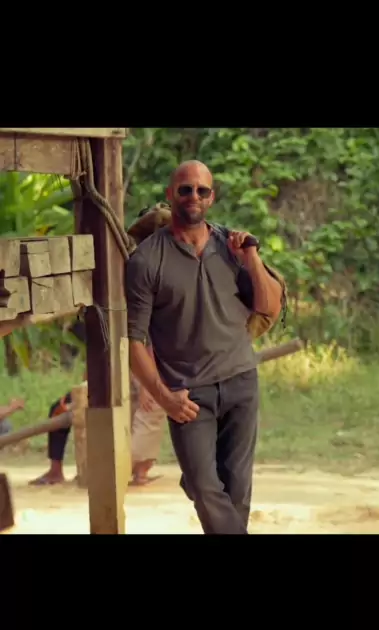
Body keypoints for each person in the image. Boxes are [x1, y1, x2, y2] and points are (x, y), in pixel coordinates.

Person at [125, 159, 283, 534]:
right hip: (189, 394)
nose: (193, 196)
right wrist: (164, 397)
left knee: (236, 490)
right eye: (185, 189)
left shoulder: (232, 247)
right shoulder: (146, 260)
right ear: (170, 195)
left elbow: (269, 306)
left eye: (202, 190)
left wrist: (252, 258)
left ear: (212, 197)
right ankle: (196, 481)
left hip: (240, 381)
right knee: (204, 487)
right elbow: (133, 341)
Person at [29, 347, 165, 487]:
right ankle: (56, 470)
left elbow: (148, 347)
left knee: (147, 414)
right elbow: (93, 359)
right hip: (108, 380)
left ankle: (137, 471)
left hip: (136, 374)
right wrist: (83, 393)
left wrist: (146, 386)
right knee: (57, 408)